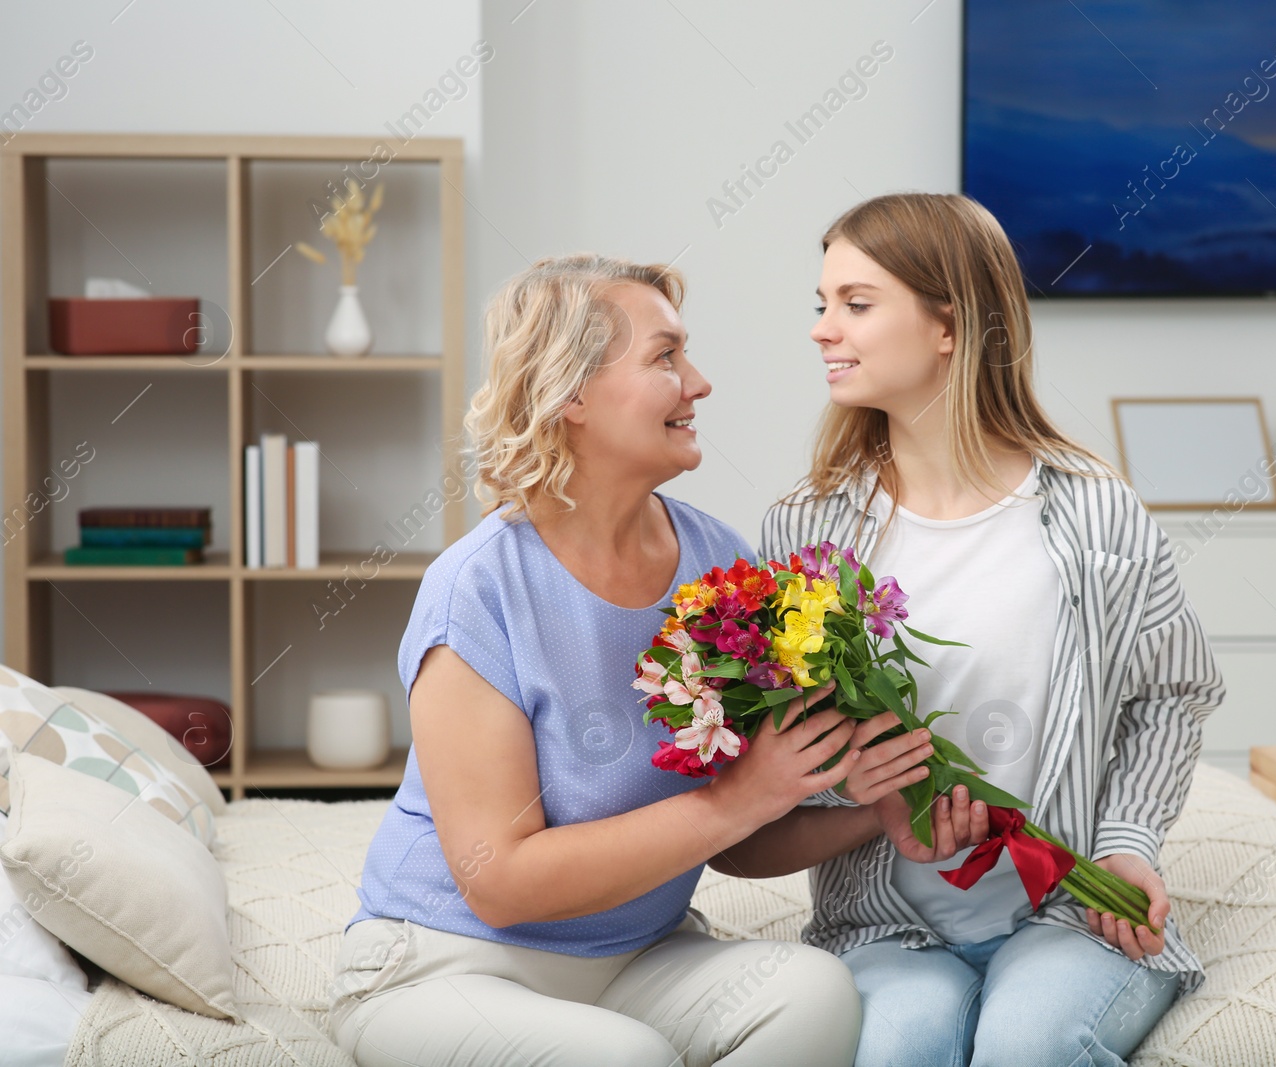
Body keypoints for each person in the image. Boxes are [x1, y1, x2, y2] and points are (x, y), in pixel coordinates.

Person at [720, 193, 1227, 1066]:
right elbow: (783, 761)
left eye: (855, 303)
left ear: (948, 325)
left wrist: (1127, 844)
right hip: (885, 926)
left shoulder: (1095, 513)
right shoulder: (805, 533)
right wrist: (866, 798)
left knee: (1028, 1044)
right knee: (893, 1047)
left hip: (1070, 908)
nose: (821, 329)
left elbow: (1173, 694)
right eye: (821, 303)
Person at [324, 254, 866, 1067]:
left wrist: (871, 811)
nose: (701, 382)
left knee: (816, 992)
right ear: (571, 393)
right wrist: (730, 804)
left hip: (641, 956)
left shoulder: (720, 563)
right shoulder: (478, 588)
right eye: (666, 357)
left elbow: (736, 836)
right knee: (624, 1058)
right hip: (451, 959)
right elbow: (497, 881)